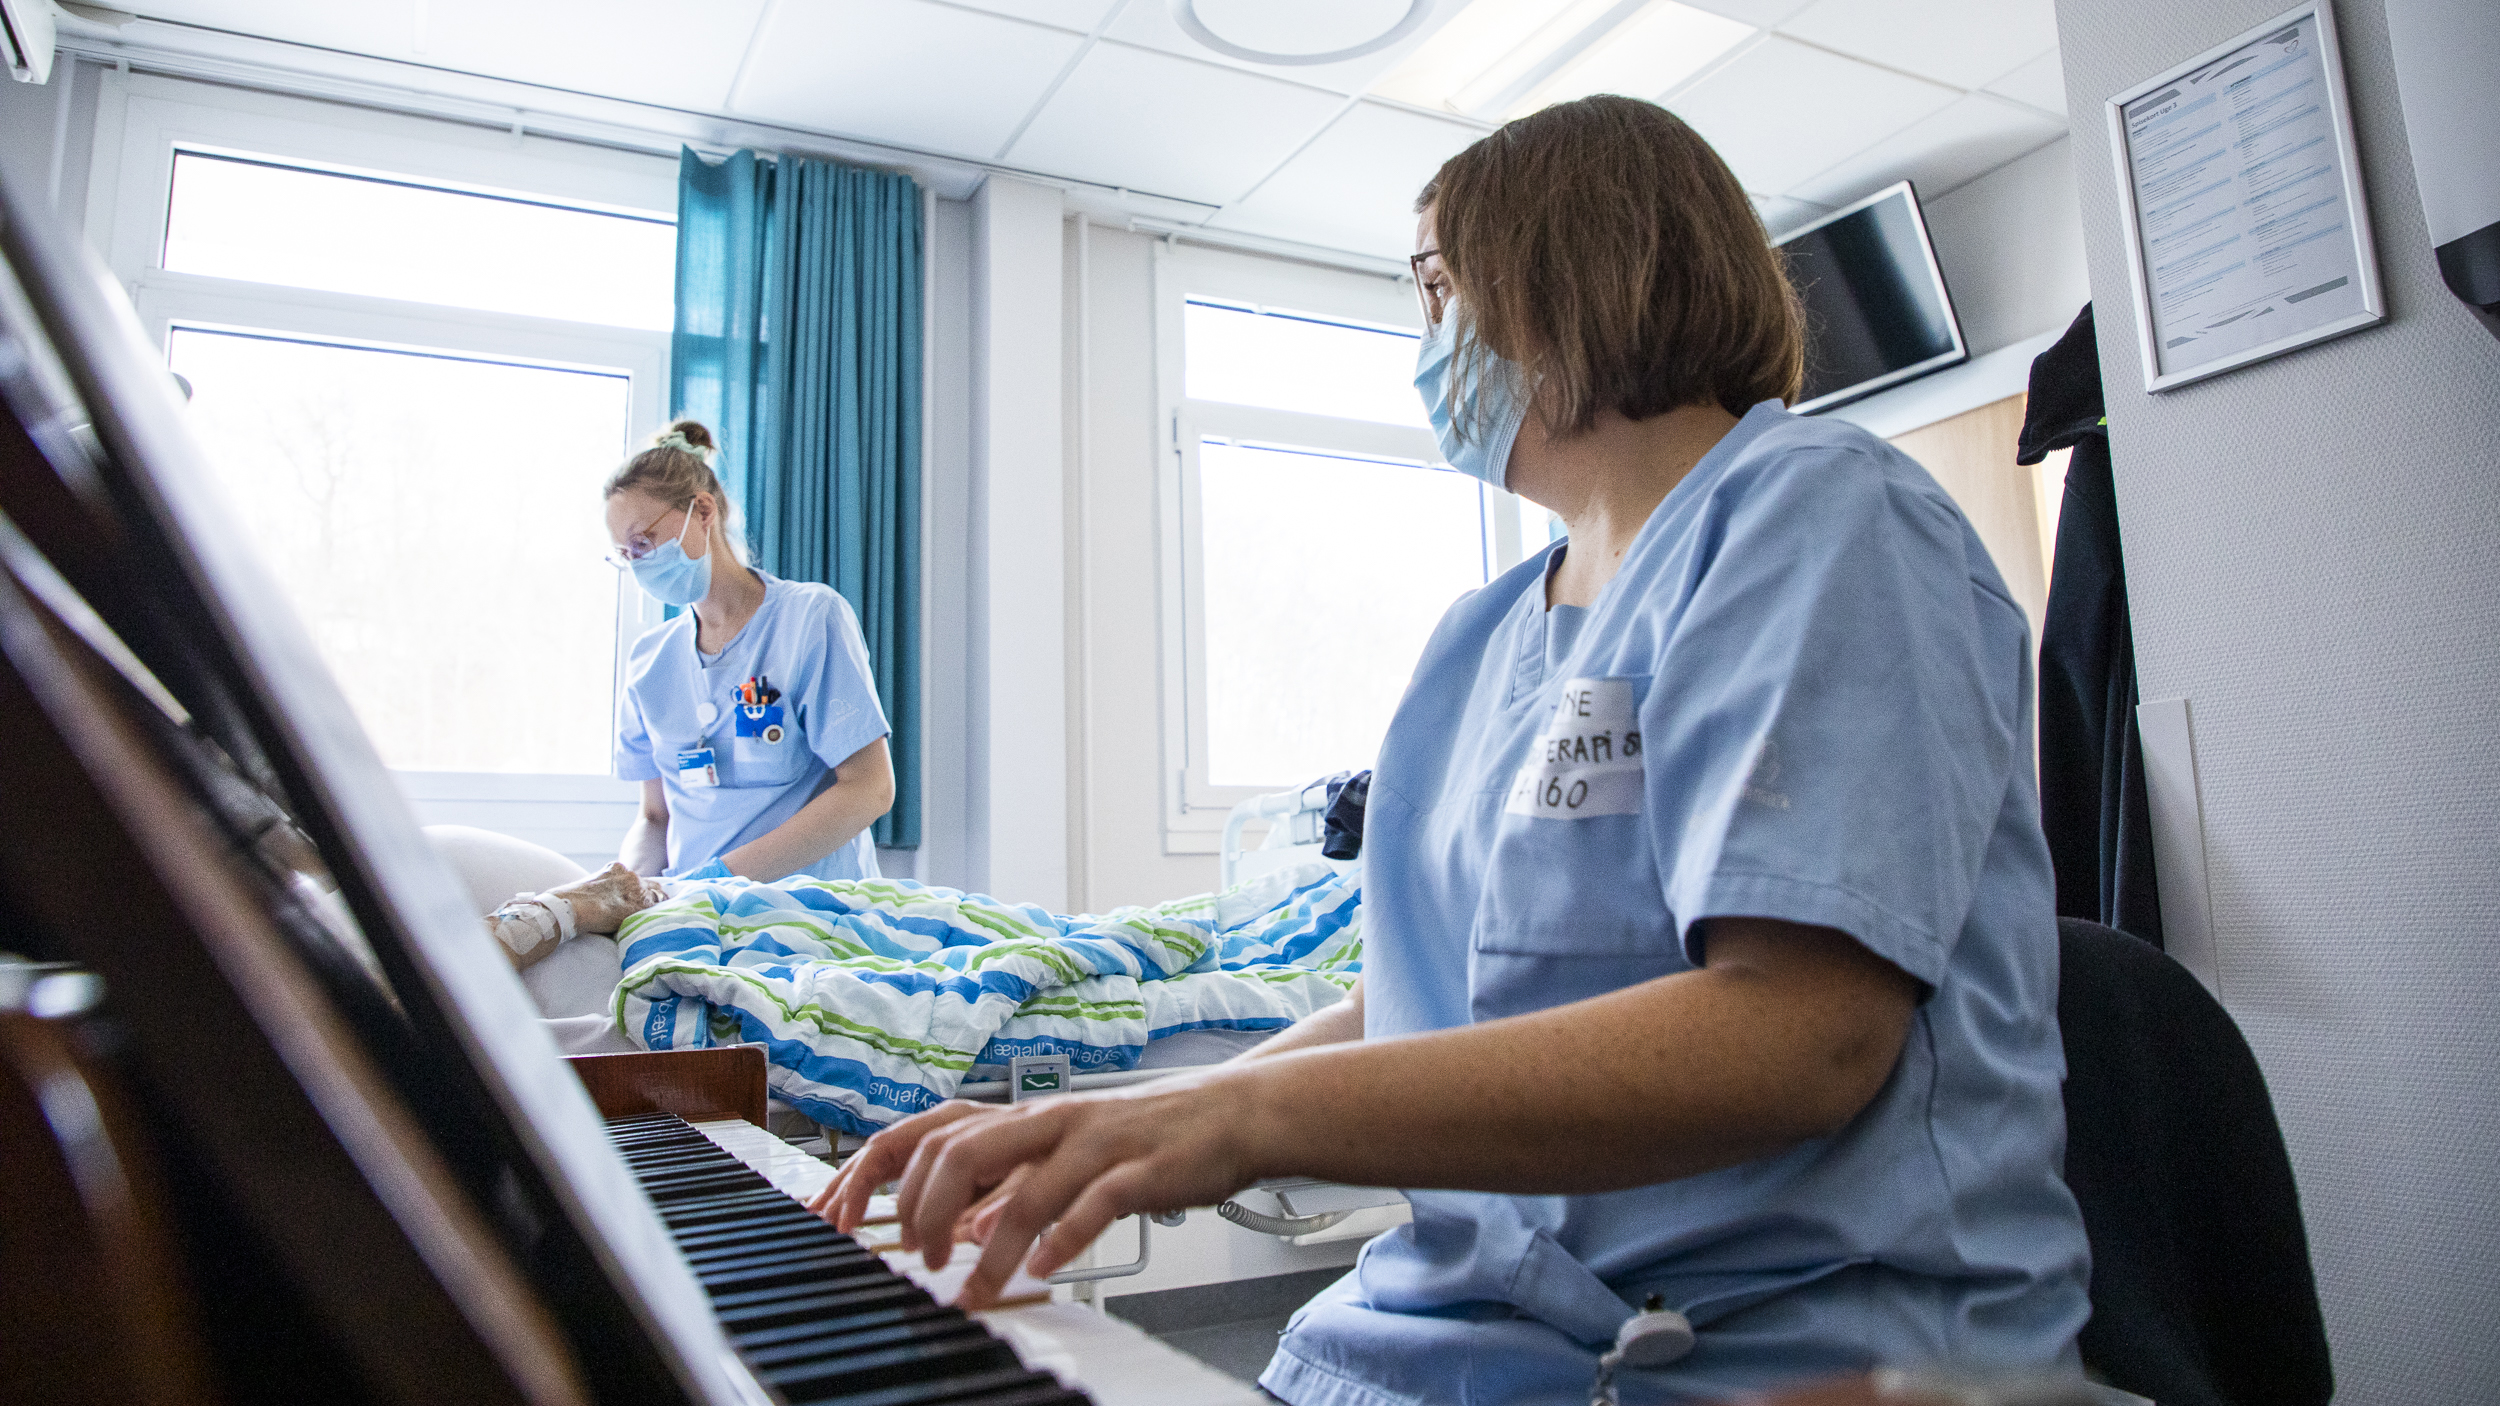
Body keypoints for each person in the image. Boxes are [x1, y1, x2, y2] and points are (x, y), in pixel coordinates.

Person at [813, 96, 2090, 1404]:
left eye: (1437, 287)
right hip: (1451, 1334)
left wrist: (1230, 1117)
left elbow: (1799, 1031)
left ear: (1568, 267)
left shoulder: (1822, 515)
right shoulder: (1480, 639)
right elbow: (1409, 1009)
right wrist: (1117, 1123)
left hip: (1788, 1347)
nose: (1428, 344)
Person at [606, 421, 894, 883]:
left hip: (808, 906)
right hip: (690, 909)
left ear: (702, 511)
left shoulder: (809, 618)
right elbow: (655, 818)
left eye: (643, 542)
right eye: (626, 554)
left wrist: (718, 881)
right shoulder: (649, 662)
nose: (639, 564)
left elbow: (869, 789)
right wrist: (629, 889)